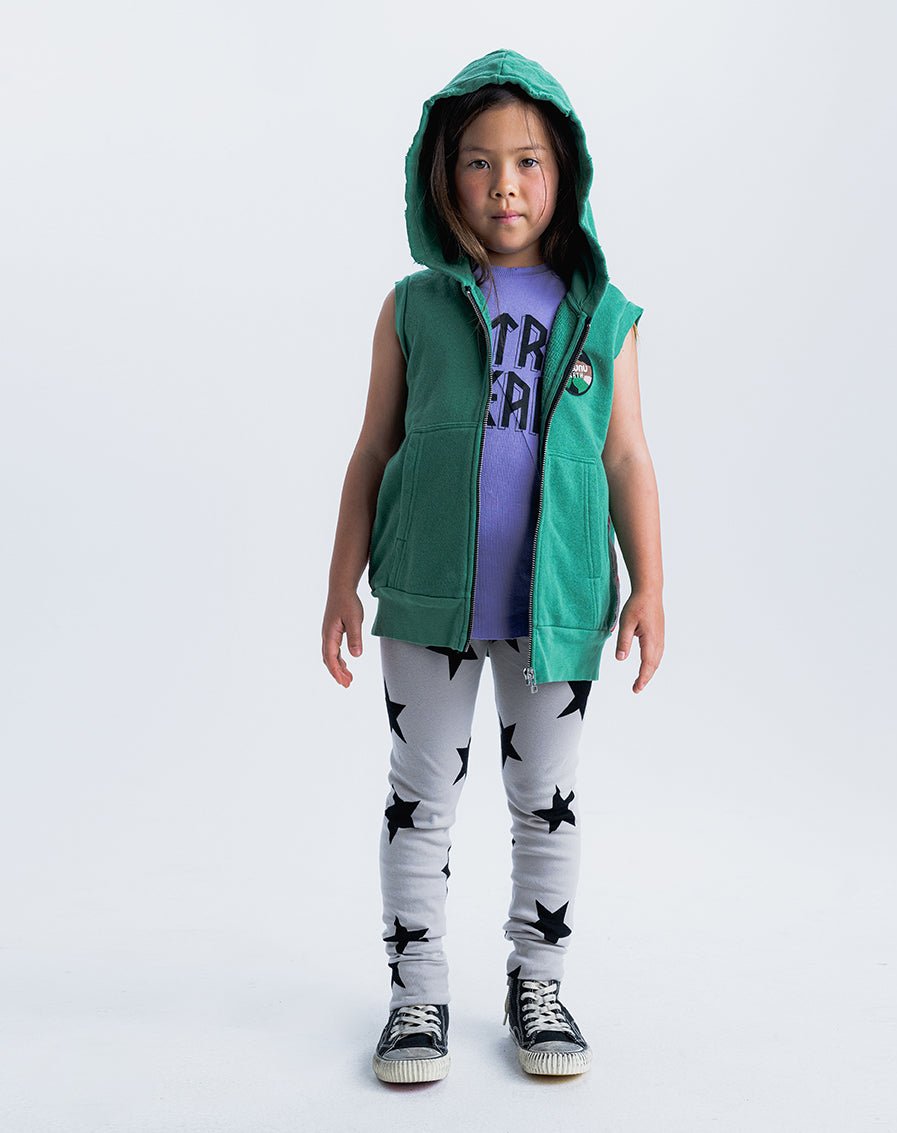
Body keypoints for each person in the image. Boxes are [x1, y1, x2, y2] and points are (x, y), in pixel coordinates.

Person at [321, 48, 664, 1084]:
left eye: (527, 161)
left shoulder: (604, 317)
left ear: (565, 174)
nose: (503, 184)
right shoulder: (411, 308)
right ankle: (416, 995)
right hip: (425, 594)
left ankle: (538, 982)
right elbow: (372, 449)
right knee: (418, 799)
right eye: (478, 161)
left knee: (544, 799)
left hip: (555, 603)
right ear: (443, 173)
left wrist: (650, 584)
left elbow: (627, 457)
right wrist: (340, 582)